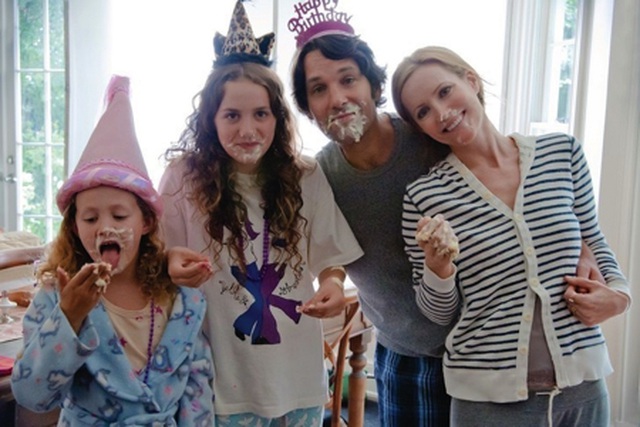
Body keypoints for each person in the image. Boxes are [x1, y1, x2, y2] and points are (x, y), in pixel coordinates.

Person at [286, 1, 617, 426]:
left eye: (348, 79)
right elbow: (327, 246)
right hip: (409, 355)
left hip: (495, 354)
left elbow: (517, 189)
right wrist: (331, 280)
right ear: (307, 107)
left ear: (372, 84)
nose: (338, 98)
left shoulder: (431, 133)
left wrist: (585, 247)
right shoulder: (321, 178)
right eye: (318, 89)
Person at [392, 45, 632, 426]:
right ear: (420, 127)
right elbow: (439, 314)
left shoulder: (562, 153)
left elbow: (593, 238)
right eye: (423, 112)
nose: (441, 112)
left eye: (444, 92)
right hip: (486, 403)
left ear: (471, 80)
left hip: (583, 388)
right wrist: (438, 269)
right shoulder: (425, 197)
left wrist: (619, 297)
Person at [159, 1, 363, 425]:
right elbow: (156, 256)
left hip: (297, 378)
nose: (248, 130)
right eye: (232, 116)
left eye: (260, 114)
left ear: (278, 118)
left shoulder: (305, 176)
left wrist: (331, 282)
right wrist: (170, 262)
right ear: (211, 119)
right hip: (219, 383)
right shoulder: (183, 178)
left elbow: (330, 256)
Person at [10, 75, 214, 426]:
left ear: (146, 222)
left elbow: (199, 398)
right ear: (75, 228)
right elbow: (33, 395)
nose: (104, 227)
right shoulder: (57, 297)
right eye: (90, 218)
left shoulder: (180, 300)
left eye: (119, 216)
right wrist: (69, 318)